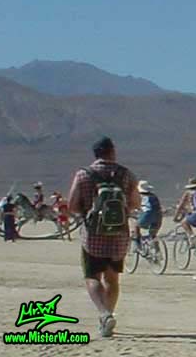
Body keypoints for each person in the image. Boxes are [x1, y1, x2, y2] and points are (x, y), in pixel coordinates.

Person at [67, 136, 139, 337]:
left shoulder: (83, 175)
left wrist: (86, 211)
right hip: (118, 236)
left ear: (95, 153)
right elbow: (135, 203)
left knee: (92, 277)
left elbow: (72, 205)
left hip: (93, 236)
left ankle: (104, 314)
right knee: (112, 278)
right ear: (112, 151)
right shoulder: (126, 174)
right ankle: (109, 314)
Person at [132, 181, 163, 251]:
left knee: (136, 226)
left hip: (148, 215)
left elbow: (136, 207)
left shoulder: (139, 196)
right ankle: (157, 252)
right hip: (158, 216)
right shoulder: (153, 196)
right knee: (153, 235)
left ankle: (138, 245)